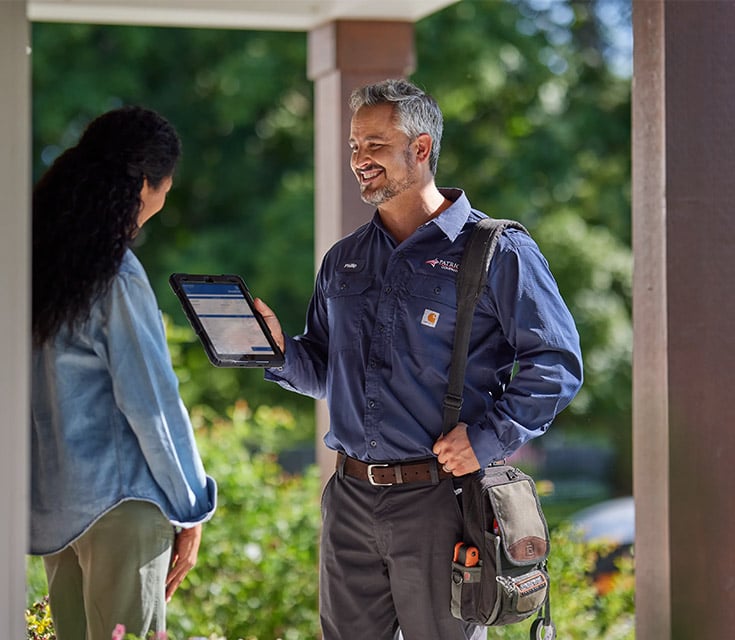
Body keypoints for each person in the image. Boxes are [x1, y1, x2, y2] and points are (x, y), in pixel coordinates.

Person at [254, 78, 583, 640]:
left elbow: (556, 363)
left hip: (442, 501)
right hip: (351, 500)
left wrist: (487, 438)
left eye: (375, 145)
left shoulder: (495, 250)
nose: (359, 159)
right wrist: (279, 351)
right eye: (355, 146)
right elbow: (325, 371)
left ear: (422, 148)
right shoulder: (344, 259)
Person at [30, 105, 216, 640]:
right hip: (124, 507)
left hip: (57, 508)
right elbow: (151, 401)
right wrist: (191, 506)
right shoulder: (114, 272)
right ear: (146, 184)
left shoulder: (39, 264)